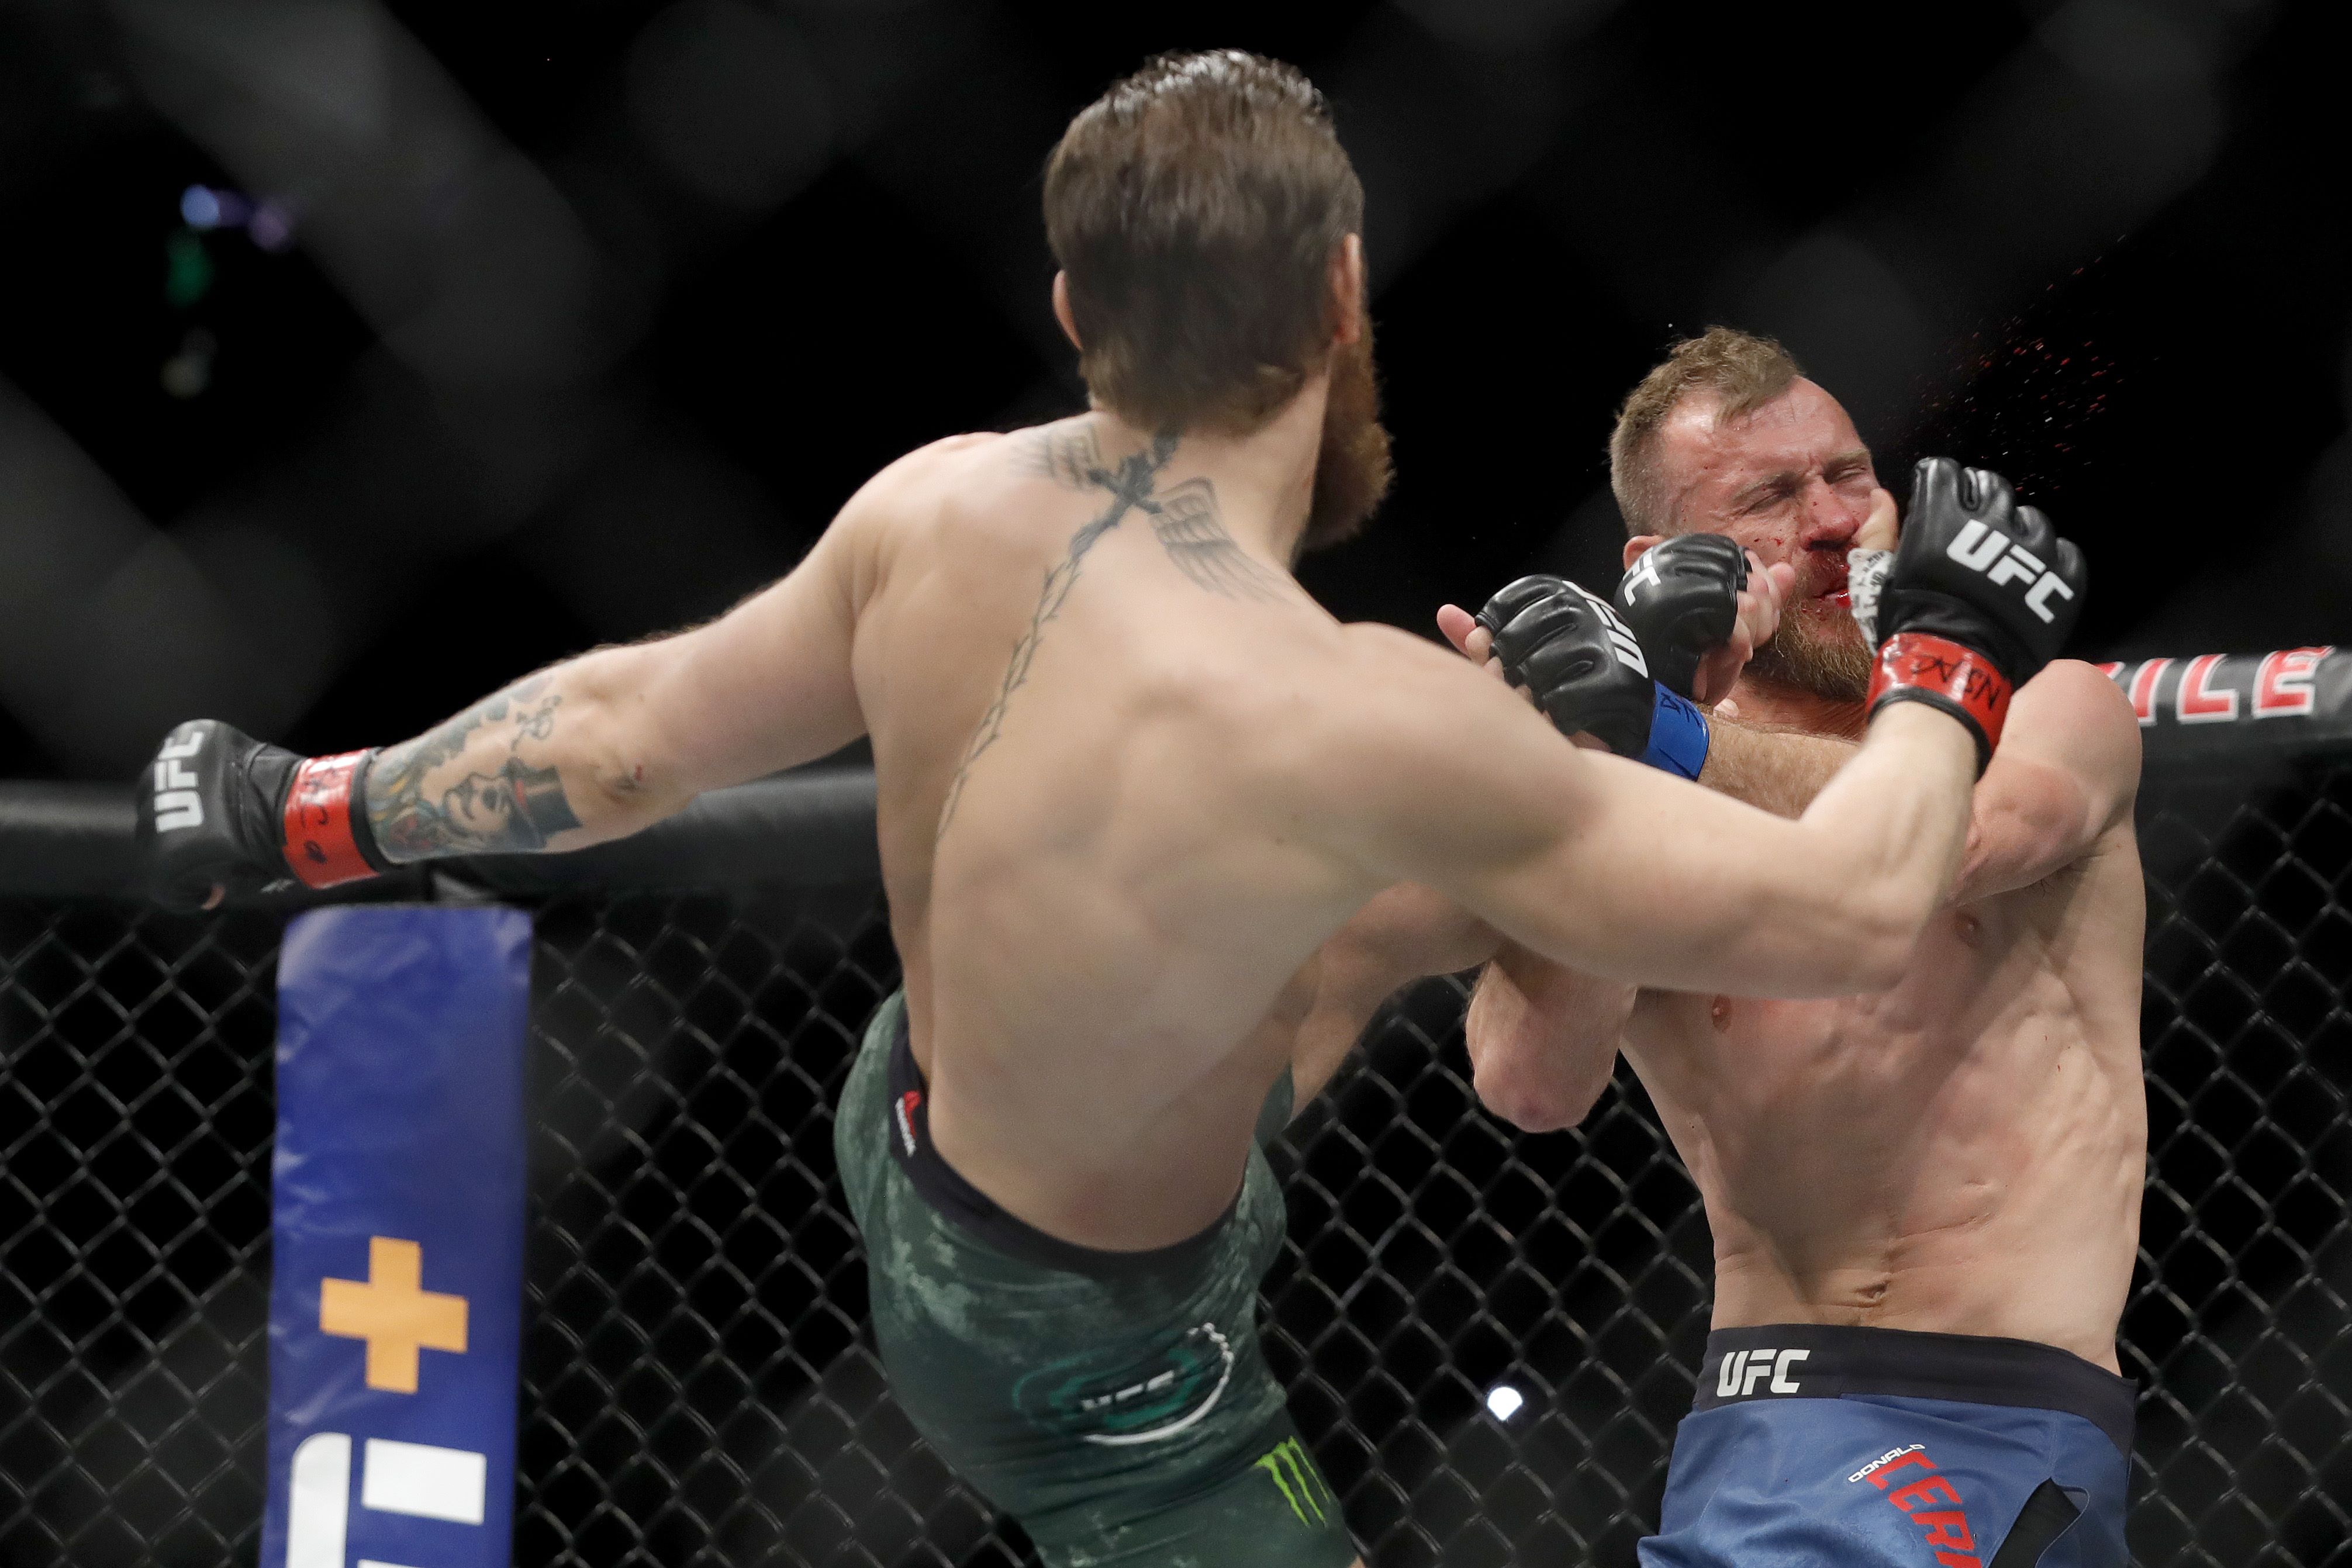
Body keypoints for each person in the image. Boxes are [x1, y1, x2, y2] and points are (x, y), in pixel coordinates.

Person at [136, 61, 2075, 1568]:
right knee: (1460, 797)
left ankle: (1616, 724)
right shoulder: (1353, 714)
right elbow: (1847, 911)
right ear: (1339, 295)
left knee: (1428, 848)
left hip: (913, 1109)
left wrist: (316, 808)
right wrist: (1958, 653)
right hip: (1097, 1359)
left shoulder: (934, 508)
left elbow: (632, 734)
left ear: (1073, 308)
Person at [1446, 327, 2142, 1567]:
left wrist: (1662, 736)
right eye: (1770, 497)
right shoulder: (1637, 780)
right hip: (1742, 1429)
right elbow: (1529, 1079)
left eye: (1849, 477)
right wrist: (1609, 774)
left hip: (1986, 1423)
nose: (1832, 522)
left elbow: (1946, 838)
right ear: (1665, 564)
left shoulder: (2052, 707)